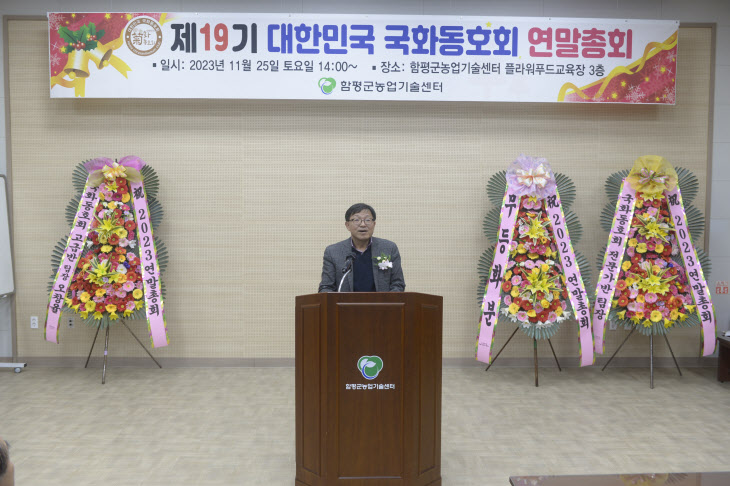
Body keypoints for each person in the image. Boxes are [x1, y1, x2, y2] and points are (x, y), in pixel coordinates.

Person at [319, 203, 405, 293]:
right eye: (357, 220)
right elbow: (326, 287)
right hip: (346, 306)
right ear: (347, 225)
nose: (363, 224)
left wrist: (387, 303)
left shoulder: (389, 248)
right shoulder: (333, 252)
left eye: (368, 220)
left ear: (374, 224)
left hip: (381, 305)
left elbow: (398, 283)